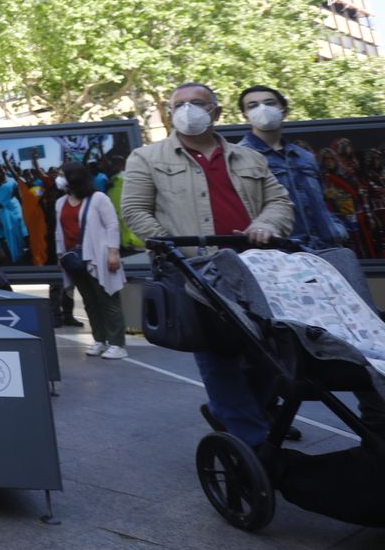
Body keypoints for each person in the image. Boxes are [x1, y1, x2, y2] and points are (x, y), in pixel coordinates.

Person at [121, 81, 294, 447]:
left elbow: (279, 202)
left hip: (254, 268)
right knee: (219, 358)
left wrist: (266, 223)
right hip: (194, 273)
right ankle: (253, 442)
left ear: (215, 111)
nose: (187, 110)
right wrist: (170, 248)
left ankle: (230, 412)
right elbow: (135, 211)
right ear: (169, 113)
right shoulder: (147, 158)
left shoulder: (250, 158)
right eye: (179, 104)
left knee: (274, 354)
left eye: (197, 103)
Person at [235, 86, 351, 251]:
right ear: (245, 115)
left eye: (269, 103)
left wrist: (337, 228)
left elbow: (322, 200)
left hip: (326, 247)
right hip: (281, 252)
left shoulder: (305, 156)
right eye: (252, 105)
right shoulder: (239, 156)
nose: (262, 109)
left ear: (284, 110)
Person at [55, 164, 126, 358]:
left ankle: (117, 344)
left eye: (62, 175)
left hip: (98, 257)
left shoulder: (98, 199)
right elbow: (59, 233)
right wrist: (60, 255)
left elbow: (112, 225)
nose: (58, 179)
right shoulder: (60, 202)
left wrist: (113, 252)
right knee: (90, 302)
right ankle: (100, 340)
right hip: (74, 260)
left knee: (107, 300)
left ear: (74, 177)